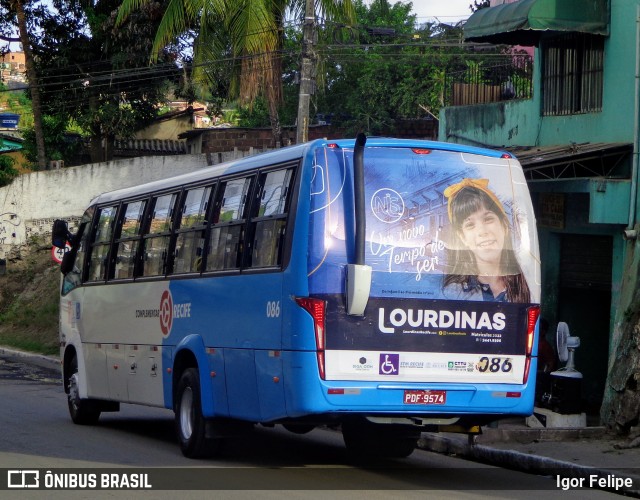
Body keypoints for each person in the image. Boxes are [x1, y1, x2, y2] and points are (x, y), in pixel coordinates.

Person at [442, 178, 531, 303]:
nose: (482, 231)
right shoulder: (453, 293)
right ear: (463, 238)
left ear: (504, 225)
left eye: (488, 219)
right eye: (470, 225)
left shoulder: (526, 284)